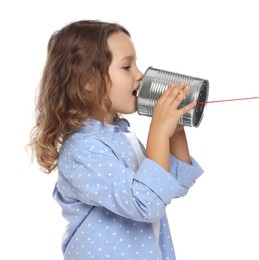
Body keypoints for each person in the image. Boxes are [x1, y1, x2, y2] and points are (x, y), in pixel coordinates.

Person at [28, 20, 204, 259]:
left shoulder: (119, 135)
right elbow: (148, 202)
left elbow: (170, 186)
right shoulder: (82, 148)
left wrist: (175, 131)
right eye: (127, 67)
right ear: (88, 80)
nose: (140, 75)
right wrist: (159, 132)